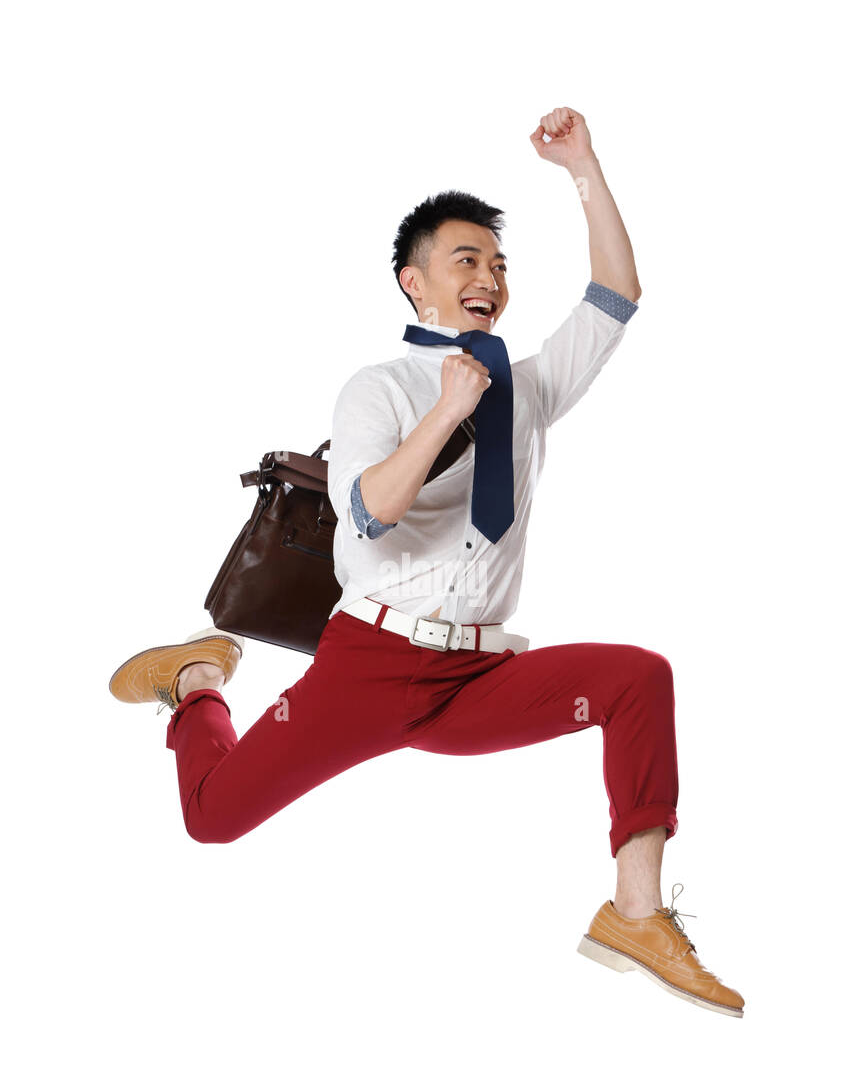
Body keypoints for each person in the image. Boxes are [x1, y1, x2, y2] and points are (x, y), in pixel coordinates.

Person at [109, 106, 744, 1019]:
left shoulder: (528, 386)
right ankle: (200, 677)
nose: (487, 277)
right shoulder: (381, 387)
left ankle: (636, 913)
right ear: (415, 284)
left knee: (638, 680)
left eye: (497, 264)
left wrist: (585, 167)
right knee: (212, 817)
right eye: (465, 261)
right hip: (370, 663)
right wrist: (447, 409)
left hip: (477, 671)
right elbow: (366, 511)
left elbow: (617, 291)